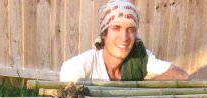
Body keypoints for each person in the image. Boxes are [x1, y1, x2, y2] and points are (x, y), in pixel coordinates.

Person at [60, 0, 189, 82]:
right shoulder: (80, 68)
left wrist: (143, 86)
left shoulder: (140, 58)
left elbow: (182, 75)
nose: (124, 37)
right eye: (116, 28)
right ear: (104, 34)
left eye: (131, 29)